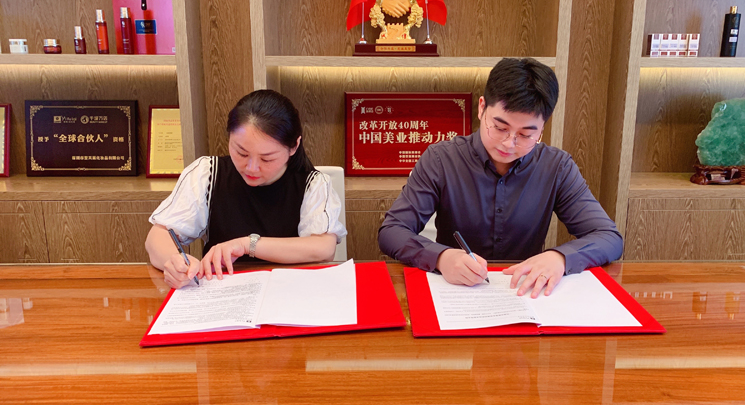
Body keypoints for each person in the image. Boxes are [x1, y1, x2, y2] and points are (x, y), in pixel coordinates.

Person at [378, 58, 622, 298]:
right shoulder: (441, 159)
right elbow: (392, 231)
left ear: (542, 128)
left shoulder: (556, 167)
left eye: (525, 134)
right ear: (482, 108)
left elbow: (608, 237)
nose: (509, 143)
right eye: (500, 128)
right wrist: (442, 257)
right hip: (456, 292)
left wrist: (560, 258)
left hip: (524, 293)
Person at [146, 89, 347, 289]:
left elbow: (323, 248)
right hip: (222, 292)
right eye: (241, 153)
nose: (251, 168)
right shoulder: (208, 173)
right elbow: (158, 235)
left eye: (267, 159)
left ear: (294, 146)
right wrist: (174, 262)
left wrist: (247, 245)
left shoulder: (313, 184)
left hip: (290, 291)